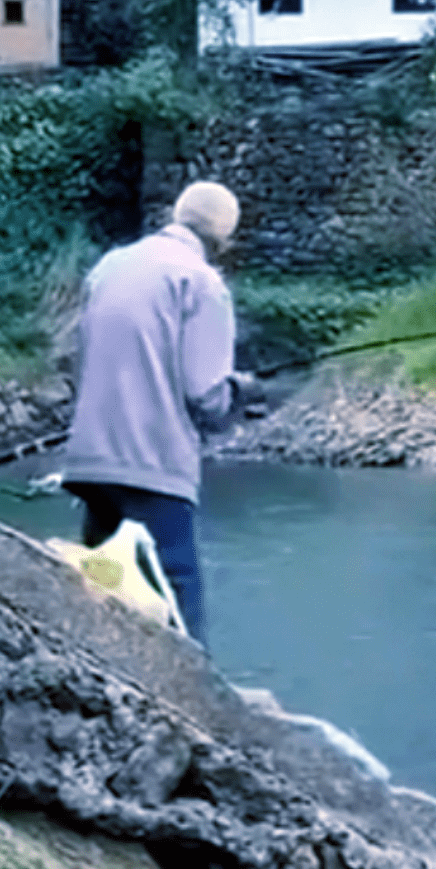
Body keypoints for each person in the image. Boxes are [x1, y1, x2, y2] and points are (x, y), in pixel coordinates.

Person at [61, 181, 261, 649]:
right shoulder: (201, 283)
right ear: (226, 239)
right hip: (153, 468)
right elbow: (206, 396)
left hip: (89, 464)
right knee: (179, 604)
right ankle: (200, 712)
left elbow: (80, 359)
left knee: (106, 595)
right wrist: (243, 393)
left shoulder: (110, 267)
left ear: (176, 214)